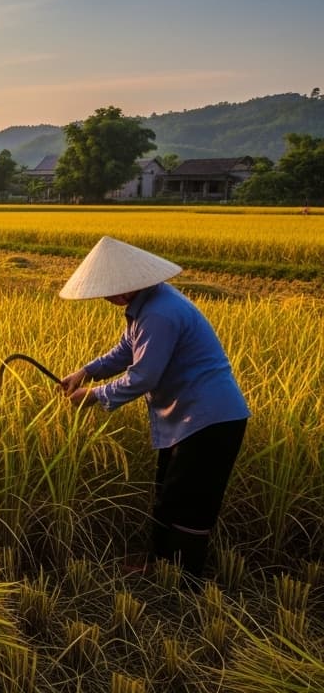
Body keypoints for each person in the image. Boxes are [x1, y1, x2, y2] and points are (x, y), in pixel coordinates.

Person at [58, 236, 249, 587]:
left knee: (191, 504)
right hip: (188, 418)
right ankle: (159, 567)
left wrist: (94, 396)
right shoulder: (148, 305)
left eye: (112, 289)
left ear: (131, 283)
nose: (107, 297)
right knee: (168, 495)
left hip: (210, 420)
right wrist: (87, 371)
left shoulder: (160, 312)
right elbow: (126, 350)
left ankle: (184, 582)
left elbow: (144, 376)